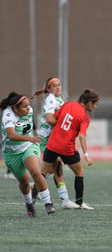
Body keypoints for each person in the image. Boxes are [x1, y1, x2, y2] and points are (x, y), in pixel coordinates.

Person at [41, 89, 99, 210]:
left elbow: (54, 119)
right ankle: (79, 202)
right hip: (67, 148)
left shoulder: (68, 104)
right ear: (89, 103)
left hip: (52, 144)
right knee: (79, 173)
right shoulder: (85, 116)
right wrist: (87, 155)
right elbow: (82, 136)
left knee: (43, 173)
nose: (96, 107)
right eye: (95, 104)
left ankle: (31, 200)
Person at [1, 92, 56, 217]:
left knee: (35, 172)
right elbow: (11, 135)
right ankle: (29, 203)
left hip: (29, 147)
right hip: (12, 153)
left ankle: (48, 203)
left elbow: (28, 124)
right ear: (15, 108)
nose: (28, 108)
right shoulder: (8, 115)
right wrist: (29, 138)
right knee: (24, 182)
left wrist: (31, 138)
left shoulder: (28, 110)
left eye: (28, 105)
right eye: (24, 106)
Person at [31, 77, 80, 209]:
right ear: (49, 89)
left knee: (54, 169)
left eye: (59, 85)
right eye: (54, 85)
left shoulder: (59, 100)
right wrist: (64, 125)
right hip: (46, 139)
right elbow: (49, 119)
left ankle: (38, 189)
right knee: (54, 168)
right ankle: (60, 199)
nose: (58, 87)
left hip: (53, 138)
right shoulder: (51, 99)